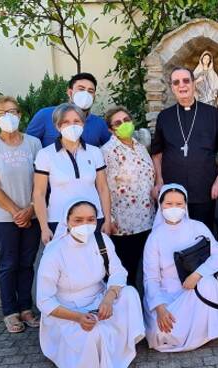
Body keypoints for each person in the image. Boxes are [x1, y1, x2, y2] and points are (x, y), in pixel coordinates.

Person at [36, 200, 145, 368]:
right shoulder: (54, 252)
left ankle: (122, 346)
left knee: (130, 293)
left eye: (90, 219)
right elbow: (44, 301)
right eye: (78, 220)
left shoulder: (102, 241)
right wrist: (78, 317)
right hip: (68, 310)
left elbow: (118, 272)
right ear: (67, 221)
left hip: (99, 300)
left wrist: (108, 298)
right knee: (93, 333)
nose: (85, 225)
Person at [0, 95, 42, 333]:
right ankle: (10, 312)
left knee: (27, 263)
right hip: (4, 218)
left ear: (20, 115)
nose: (8, 117)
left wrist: (32, 209)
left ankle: (26, 309)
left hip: (33, 215)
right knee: (9, 264)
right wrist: (16, 212)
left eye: (12, 112)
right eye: (2, 113)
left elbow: (41, 180)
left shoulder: (34, 143)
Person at [151, 67, 218, 230]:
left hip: (204, 190)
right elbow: (157, 153)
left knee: (203, 235)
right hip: (173, 194)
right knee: (173, 235)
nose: (181, 85)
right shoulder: (164, 117)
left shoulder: (211, 113)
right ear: (172, 87)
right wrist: (159, 180)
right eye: (176, 82)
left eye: (186, 81)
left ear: (193, 84)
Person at [143, 184, 218, 352]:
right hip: (166, 294)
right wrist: (159, 308)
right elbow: (151, 278)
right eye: (169, 204)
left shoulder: (198, 227)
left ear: (185, 205)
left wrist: (197, 275)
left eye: (179, 204)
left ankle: (202, 334)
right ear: (161, 205)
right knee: (163, 331)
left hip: (192, 289)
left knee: (208, 283)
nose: (174, 208)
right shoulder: (155, 237)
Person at [33, 103, 113, 245]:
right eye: (66, 122)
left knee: (96, 264)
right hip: (59, 221)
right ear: (58, 126)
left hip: (93, 219)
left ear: (83, 124)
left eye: (77, 121)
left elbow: (103, 188)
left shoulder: (94, 152)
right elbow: (39, 193)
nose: (72, 125)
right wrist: (44, 227)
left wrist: (107, 219)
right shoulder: (45, 154)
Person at [101, 106, 155, 287]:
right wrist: (109, 218)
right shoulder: (108, 151)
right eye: (117, 123)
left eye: (126, 120)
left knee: (147, 271)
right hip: (124, 224)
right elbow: (103, 187)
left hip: (147, 219)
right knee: (126, 272)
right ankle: (124, 311)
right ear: (111, 129)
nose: (123, 124)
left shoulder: (140, 147)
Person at [26, 72, 111, 147]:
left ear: (94, 97)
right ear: (70, 92)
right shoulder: (45, 115)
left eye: (90, 91)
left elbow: (112, 149)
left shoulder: (100, 124)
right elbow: (28, 146)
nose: (86, 94)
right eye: (81, 89)